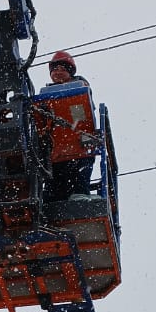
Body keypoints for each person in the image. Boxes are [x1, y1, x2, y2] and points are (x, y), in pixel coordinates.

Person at [39, 51, 97, 203]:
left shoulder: (79, 88)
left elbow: (80, 118)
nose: (57, 72)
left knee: (80, 167)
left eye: (62, 68)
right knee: (54, 174)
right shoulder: (46, 95)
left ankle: (79, 192)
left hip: (78, 142)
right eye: (55, 69)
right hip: (57, 149)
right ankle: (52, 199)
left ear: (70, 71)